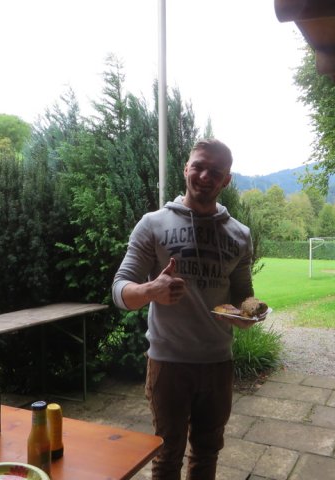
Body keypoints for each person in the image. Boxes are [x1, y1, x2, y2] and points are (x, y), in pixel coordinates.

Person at [112, 138, 255, 479]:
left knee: (207, 453)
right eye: (199, 167)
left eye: (215, 171)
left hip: (218, 363)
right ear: (186, 168)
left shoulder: (239, 234)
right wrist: (151, 290)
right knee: (167, 455)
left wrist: (247, 315)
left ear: (226, 180)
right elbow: (120, 290)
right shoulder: (153, 224)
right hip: (169, 364)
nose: (205, 176)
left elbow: (244, 297)